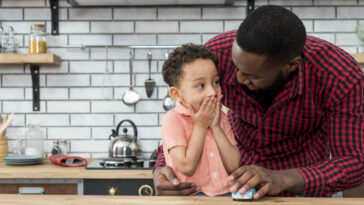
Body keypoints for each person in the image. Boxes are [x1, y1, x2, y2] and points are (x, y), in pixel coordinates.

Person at [153, 5, 364, 199]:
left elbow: (354, 161)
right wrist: (162, 167)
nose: (238, 79)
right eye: (237, 68)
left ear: (291, 65)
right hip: (237, 185)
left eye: (252, 76)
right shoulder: (216, 56)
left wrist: (282, 179)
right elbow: (184, 117)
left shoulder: (338, 76)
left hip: (300, 186)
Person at [161, 44, 241, 196]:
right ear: (177, 94)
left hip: (225, 195)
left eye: (216, 82)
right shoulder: (172, 120)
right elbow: (187, 166)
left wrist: (216, 127)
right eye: (201, 85)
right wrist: (200, 126)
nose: (212, 91)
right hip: (191, 197)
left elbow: (234, 165)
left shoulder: (221, 117)